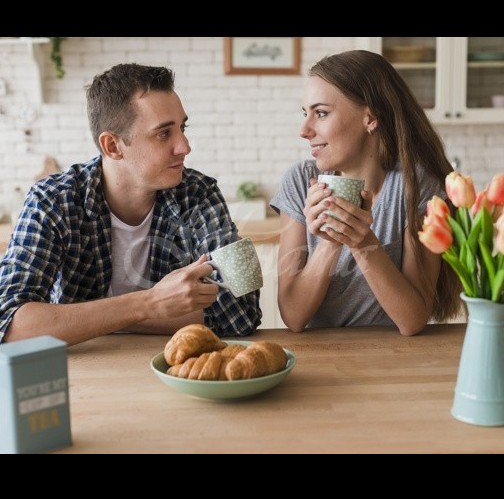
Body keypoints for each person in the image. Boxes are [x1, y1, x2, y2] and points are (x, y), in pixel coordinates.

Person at [0, 63, 261, 346]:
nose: (184, 146)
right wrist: (149, 303)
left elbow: (243, 310)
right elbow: (10, 322)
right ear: (112, 146)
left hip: (172, 369)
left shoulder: (200, 193)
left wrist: (93, 319)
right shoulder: (51, 200)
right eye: (164, 133)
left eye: (182, 128)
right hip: (83, 375)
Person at [271, 50, 461, 336]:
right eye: (305, 113)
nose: (304, 130)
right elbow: (294, 317)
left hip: (391, 358)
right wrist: (331, 241)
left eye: (321, 113)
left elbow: (412, 320)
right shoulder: (300, 183)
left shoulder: (415, 185)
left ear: (370, 118)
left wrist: (362, 243)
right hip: (321, 360)